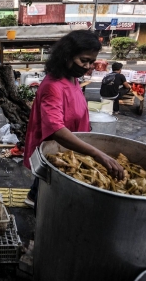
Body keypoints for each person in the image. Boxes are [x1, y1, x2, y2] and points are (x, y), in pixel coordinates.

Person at [23, 30, 124, 207]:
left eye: (92, 62)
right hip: (56, 150)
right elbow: (56, 130)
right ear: (66, 56)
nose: (87, 66)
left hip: (70, 148)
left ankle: (34, 196)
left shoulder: (73, 79)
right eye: (83, 60)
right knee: (48, 199)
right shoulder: (53, 86)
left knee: (45, 187)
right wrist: (97, 154)